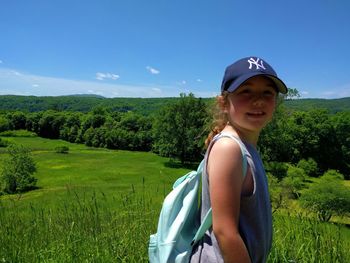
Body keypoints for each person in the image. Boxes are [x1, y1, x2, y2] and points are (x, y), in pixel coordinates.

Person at [190, 56, 288, 263]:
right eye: (246, 91)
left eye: (267, 93)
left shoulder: (245, 146)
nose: (258, 100)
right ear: (224, 102)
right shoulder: (229, 148)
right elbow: (225, 232)